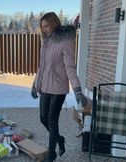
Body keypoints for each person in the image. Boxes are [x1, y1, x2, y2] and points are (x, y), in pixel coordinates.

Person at [31, 12, 88, 162]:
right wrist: (34, 84)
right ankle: (60, 139)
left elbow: (70, 66)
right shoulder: (46, 42)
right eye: (42, 27)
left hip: (58, 88)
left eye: (47, 26)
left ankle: (52, 154)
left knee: (51, 120)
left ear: (54, 23)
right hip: (44, 87)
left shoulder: (65, 40)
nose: (44, 30)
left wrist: (78, 90)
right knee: (43, 118)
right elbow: (41, 66)